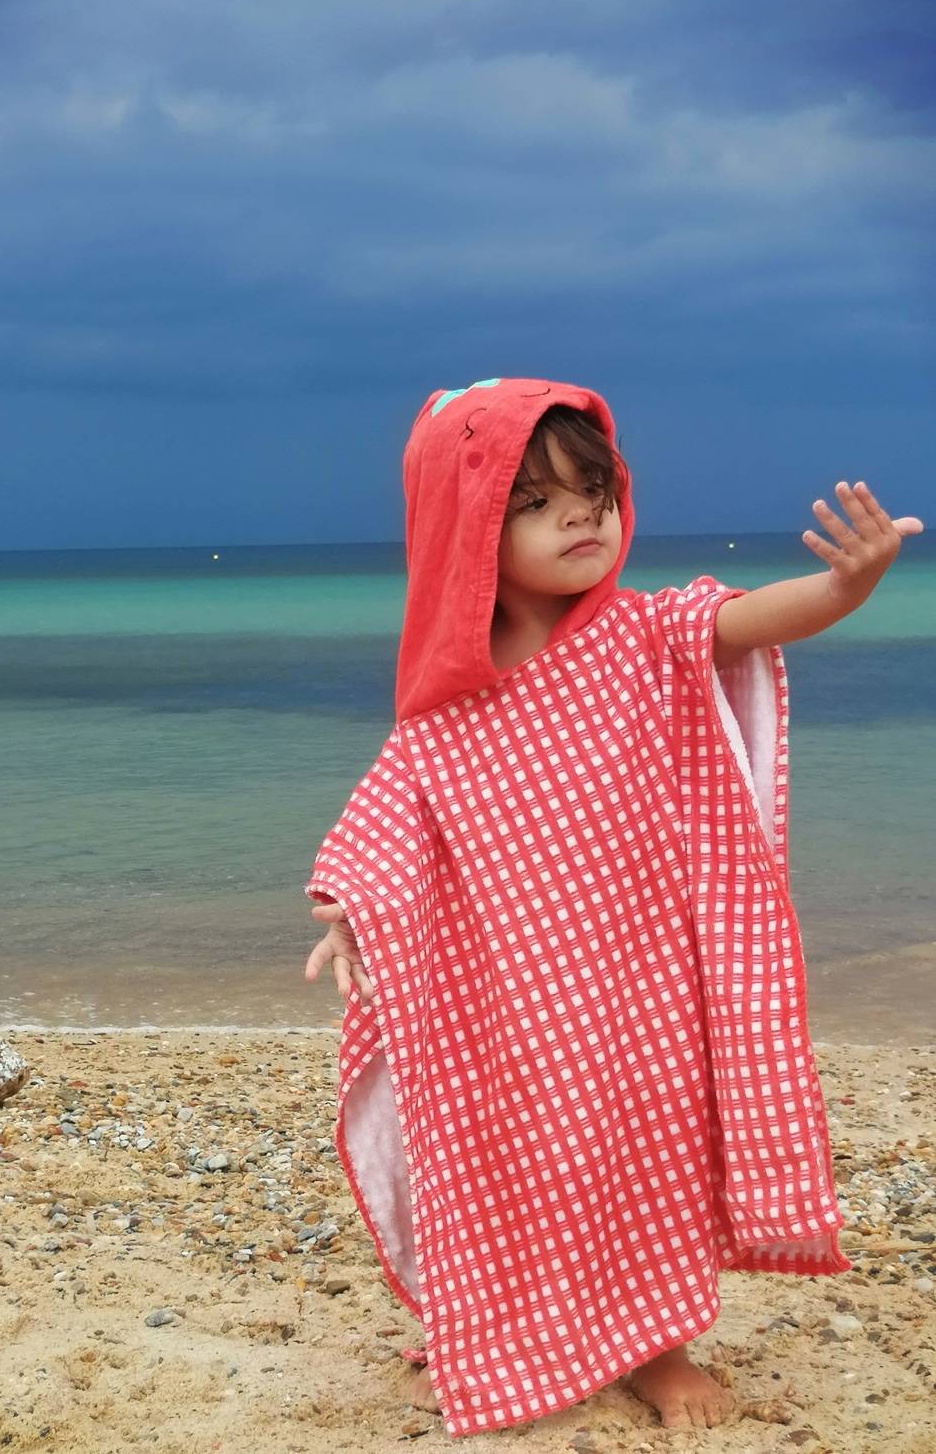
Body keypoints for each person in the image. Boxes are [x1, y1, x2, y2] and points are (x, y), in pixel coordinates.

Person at [302, 378, 923, 1438]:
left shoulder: (642, 633)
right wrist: (349, 911)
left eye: (593, 491)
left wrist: (844, 585)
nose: (580, 517)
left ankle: (656, 1347)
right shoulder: (448, 706)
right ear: (466, 529)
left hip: (642, 985)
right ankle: (500, 1331)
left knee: (649, 1156)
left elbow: (750, 618)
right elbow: (391, 823)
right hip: (517, 1003)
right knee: (522, 1159)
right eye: (535, 504)